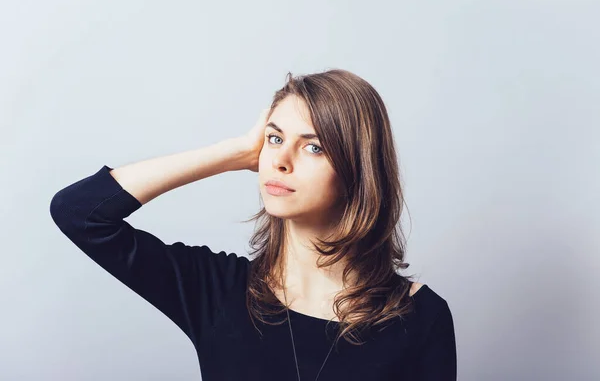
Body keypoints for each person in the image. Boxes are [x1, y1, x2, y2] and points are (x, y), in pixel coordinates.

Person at [50, 69, 457, 380]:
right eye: (275, 139)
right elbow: (80, 212)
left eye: (313, 146)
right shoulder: (218, 291)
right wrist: (236, 152)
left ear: (359, 169)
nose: (280, 160)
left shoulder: (421, 317)